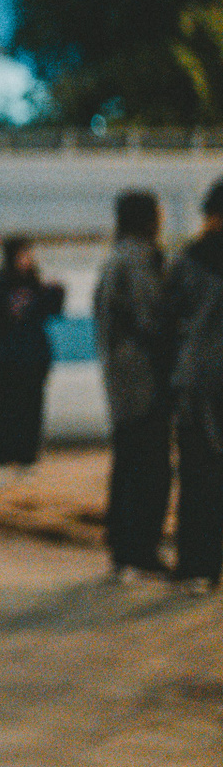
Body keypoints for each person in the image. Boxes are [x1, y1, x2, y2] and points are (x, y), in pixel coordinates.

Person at [95, 190, 172, 582]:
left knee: (128, 462)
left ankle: (123, 549)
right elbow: (152, 319)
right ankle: (140, 551)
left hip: (122, 380)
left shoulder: (115, 258)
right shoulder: (139, 259)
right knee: (149, 465)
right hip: (143, 380)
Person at [161, 177, 223, 595]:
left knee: (198, 472)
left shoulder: (188, 259)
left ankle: (197, 566)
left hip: (199, 380)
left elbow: (168, 318)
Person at [0, 236, 65, 470]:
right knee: (8, 407)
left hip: (33, 357)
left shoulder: (36, 285)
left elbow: (53, 309)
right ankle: (6, 452)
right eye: (22, 255)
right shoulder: (0, 285)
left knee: (32, 408)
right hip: (9, 358)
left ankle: (27, 453)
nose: (27, 259)